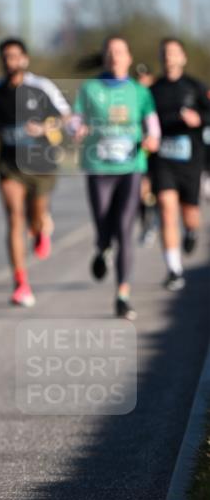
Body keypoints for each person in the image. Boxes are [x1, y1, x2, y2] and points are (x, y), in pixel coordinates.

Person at [0, 38, 70, 308]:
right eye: (5, 57)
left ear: (24, 59)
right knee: (15, 218)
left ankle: (41, 227)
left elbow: (65, 116)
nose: (10, 61)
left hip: (40, 163)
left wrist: (44, 127)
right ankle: (21, 283)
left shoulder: (41, 87)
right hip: (9, 164)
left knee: (35, 217)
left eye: (15, 56)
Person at [72, 35, 160, 320]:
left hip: (131, 167)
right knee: (103, 223)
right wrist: (78, 129)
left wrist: (152, 139)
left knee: (124, 229)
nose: (114, 56)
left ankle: (122, 294)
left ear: (129, 58)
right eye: (109, 52)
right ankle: (102, 246)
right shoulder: (90, 88)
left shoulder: (139, 92)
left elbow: (152, 124)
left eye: (120, 52)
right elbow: (76, 118)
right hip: (98, 167)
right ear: (105, 57)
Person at [149, 37, 210, 290]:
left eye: (174, 53)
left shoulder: (195, 87)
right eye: (165, 53)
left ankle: (191, 231)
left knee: (190, 213)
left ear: (183, 58)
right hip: (162, 159)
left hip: (190, 158)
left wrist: (200, 118)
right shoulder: (153, 90)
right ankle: (174, 269)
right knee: (165, 207)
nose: (169, 57)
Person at [135, 64, 158, 246]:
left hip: (159, 151)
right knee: (143, 191)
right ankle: (147, 225)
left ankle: (154, 221)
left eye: (145, 78)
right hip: (140, 151)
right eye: (138, 78)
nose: (141, 81)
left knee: (155, 191)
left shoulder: (157, 97)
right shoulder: (132, 97)